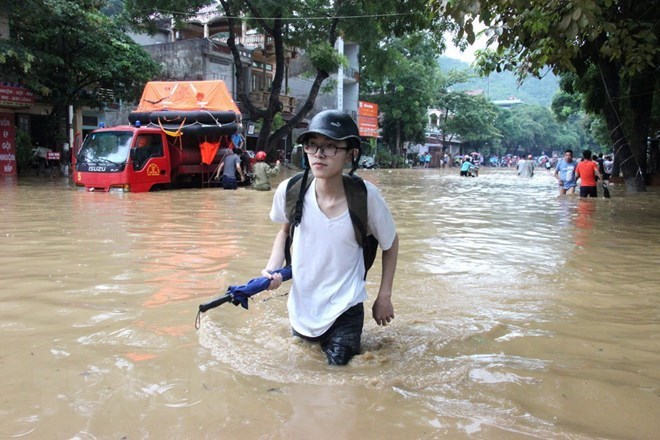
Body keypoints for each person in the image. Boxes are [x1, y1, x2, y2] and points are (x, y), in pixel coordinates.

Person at [261, 109, 399, 366]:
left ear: (351, 153)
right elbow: (284, 233)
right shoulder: (291, 190)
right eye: (312, 145)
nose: (319, 154)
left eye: (331, 146)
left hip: (346, 307)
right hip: (302, 308)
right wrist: (272, 269)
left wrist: (384, 296)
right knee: (303, 378)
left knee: (339, 378)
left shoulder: (367, 197)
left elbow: (390, 244)